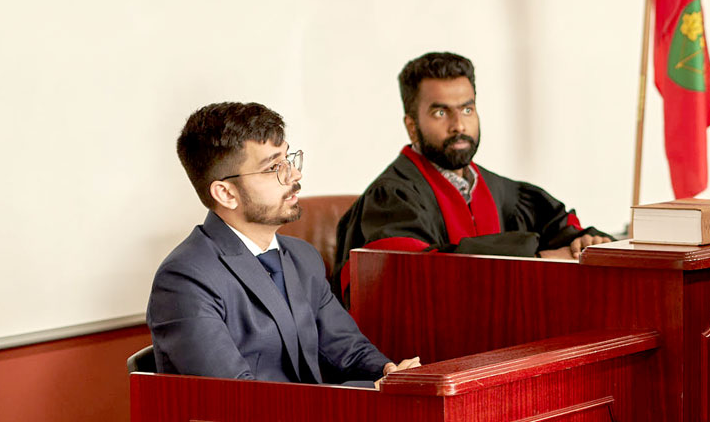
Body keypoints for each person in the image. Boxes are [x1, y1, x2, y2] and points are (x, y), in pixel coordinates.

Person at [148, 102, 419, 385]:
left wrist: (388, 373)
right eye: (274, 167)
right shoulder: (185, 279)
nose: (294, 175)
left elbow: (347, 350)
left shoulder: (302, 256)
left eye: (288, 159)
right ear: (226, 193)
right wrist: (370, 391)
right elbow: (237, 400)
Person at [335, 51, 614, 271]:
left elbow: (567, 232)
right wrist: (535, 257)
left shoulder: (508, 194)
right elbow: (411, 274)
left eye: (467, 109)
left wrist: (587, 243)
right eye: (441, 113)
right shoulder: (392, 198)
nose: (459, 125)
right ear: (411, 125)